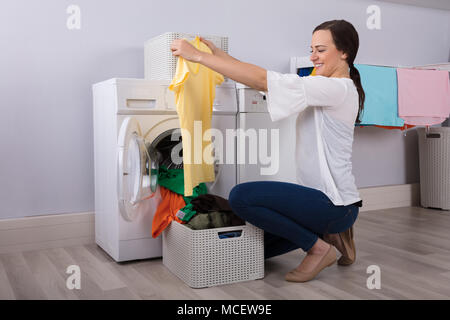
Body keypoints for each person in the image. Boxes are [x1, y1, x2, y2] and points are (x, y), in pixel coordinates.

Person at [170, 19, 365, 282]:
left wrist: (197, 57)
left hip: (333, 204)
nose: (312, 56)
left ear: (344, 52)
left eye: (320, 50)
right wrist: (221, 56)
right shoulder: (322, 86)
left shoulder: (335, 88)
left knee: (241, 196)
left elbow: (264, 80)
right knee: (257, 250)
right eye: (311, 49)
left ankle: (319, 248)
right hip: (326, 203)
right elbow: (263, 78)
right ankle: (331, 234)